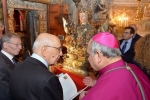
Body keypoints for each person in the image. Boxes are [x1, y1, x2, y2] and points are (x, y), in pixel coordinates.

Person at [79, 32, 150, 100]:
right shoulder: (134, 67)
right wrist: (96, 84)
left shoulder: (99, 92)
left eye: (89, 54)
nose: (88, 58)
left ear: (98, 55)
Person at [9, 33, 63, 100]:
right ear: (44, 51)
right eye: (58, 49)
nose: (61, 53)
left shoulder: (18, 67)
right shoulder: (49, 79)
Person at [0, 33, 22, 100]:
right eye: (17, 44)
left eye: (20, 44)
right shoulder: (1, 65)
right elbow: (4, 94)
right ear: (5, 45)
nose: (20, 47)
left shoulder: (11, 58)